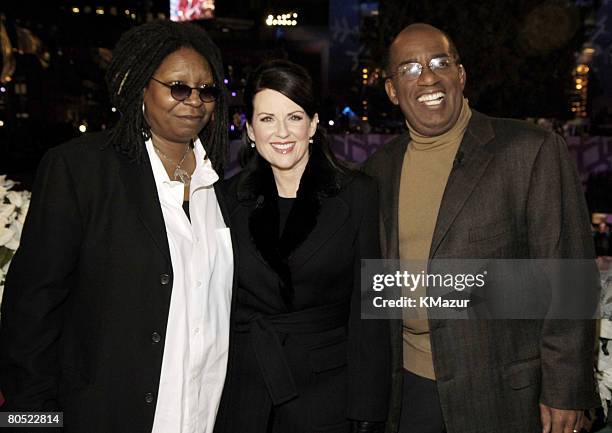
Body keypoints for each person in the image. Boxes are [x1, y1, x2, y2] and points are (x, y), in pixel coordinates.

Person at [0, 20, 233, 433]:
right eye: (178, 87)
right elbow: (30, 314)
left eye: (207, 90)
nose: (194, 101)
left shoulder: (226, 186)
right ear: (140, 87)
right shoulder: (82, 170)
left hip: (204, 417)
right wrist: (29, 423)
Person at [363, 23, 598, 433]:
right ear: (392, 90)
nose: (429, 77)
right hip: (406, 391)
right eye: (411, 68)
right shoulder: (378, 170)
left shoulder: (531, 150)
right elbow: (380, 281)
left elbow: (570, 278)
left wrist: (565, 390)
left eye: (440, 62)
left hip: (506, 396)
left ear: (461, 74)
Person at [214, 60, 390, 433]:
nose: (281, 132)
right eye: (266, 119)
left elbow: (369, 311)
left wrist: (368, 412)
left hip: (326, 396)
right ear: (248, 129)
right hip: (243, 393)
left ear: (312, 124)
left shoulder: (358, 195)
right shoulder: (223, 200)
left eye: (294, 117)